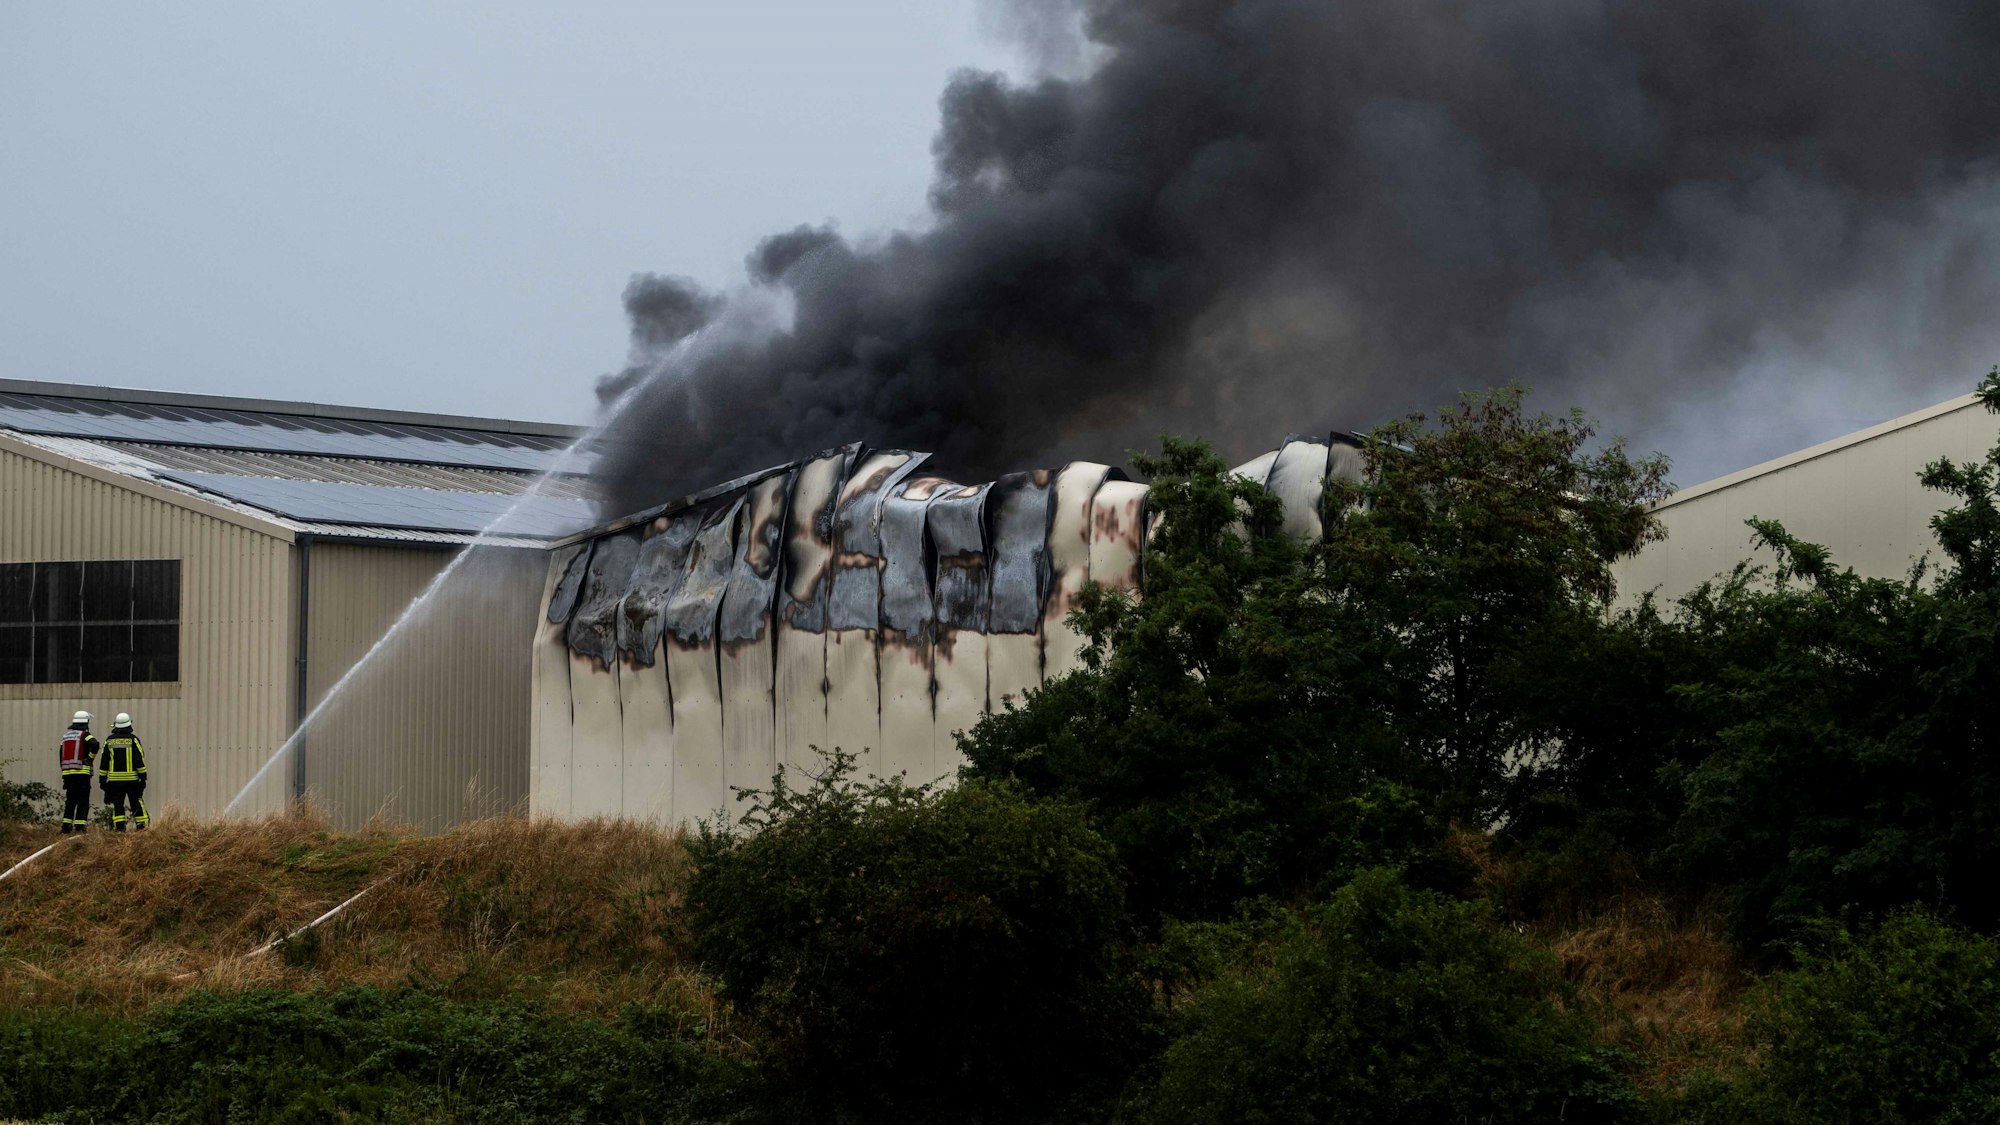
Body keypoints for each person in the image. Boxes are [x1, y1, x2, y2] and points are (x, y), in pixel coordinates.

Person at [99, 712, 149, 832]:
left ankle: (120, 829)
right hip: (132, 780)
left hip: (115, 781)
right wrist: (143, 777)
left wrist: (102, 780)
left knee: (118, 805)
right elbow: (139, 759)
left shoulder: (109, 741)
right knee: (136, 802)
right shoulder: (134, 740)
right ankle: (141, 827)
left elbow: (104, 761)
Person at [57, 710, 98, 833]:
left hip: (68, 774)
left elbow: (61, 755)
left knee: (70, 800)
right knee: (82, 800)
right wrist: (89, 759)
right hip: (82, 773)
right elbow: (95, 744)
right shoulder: (85, 736)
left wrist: (64, 772)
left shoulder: (66, 737)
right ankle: (80, 827)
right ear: (86, 722)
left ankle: (66, 827)